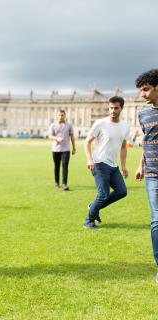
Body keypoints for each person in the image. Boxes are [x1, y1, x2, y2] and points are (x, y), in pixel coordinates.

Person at [83, 96, 129, 229]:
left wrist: (124, 166)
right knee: (103, 195)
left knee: (122, 191)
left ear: (121, 108)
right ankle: (88, 221)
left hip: (113, 165)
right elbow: (87, 142)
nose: (113, 110)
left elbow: (123, 147)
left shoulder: (125, 126)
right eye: (111, 107)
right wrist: (89, 159)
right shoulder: (100, 123)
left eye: (116, 108)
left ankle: (93, 206)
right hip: (99, 163)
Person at [134, 69, 158, 283]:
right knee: (157, 220)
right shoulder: (143, 113)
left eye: (146, 89)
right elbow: (146, 141)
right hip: (152, 174)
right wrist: (140, 164)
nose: (143, 94)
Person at [49, 110, 76, 190]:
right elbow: (50, 136)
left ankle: (64, 184)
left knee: (65, 166)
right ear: (57, 116)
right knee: (56, 166)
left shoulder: (69, 125)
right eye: (59, 115)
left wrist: (74, 148)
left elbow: (72, 137)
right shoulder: (53, 125)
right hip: (55, 149)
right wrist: (57, 138)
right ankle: (57, 182)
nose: (61, 117)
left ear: (65, 116)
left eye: (62, 115)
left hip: (66, 149)